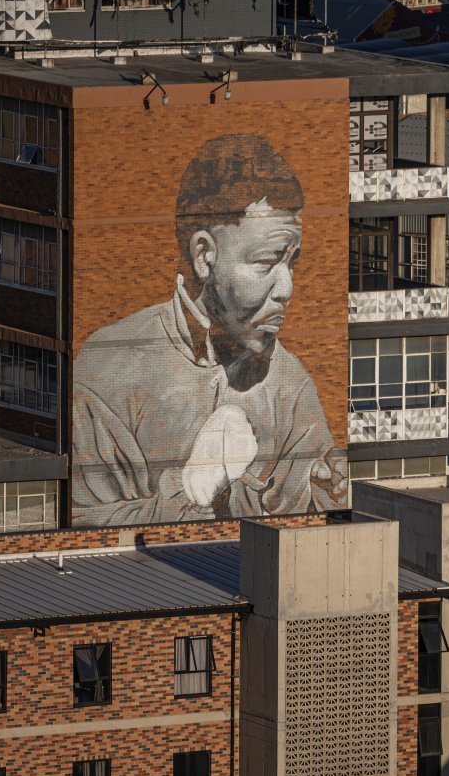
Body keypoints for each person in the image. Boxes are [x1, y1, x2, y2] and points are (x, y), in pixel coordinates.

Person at [72, 134, 346, 525]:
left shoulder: (289, 382)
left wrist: (327, 494)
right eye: (267, 262)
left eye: (292, 263)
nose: (287, 289)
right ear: (204, 256)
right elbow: (79, 539)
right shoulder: (109, 371)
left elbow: (307, 533)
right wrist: (191, 490)